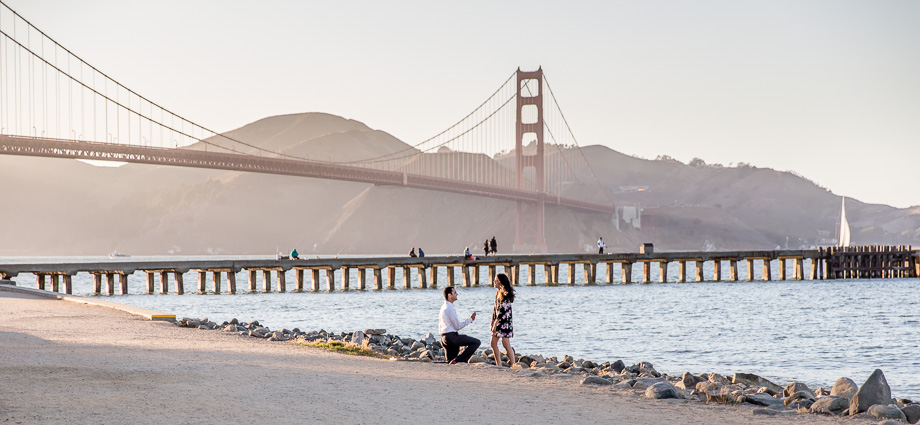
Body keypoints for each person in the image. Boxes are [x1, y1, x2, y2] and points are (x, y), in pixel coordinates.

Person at [439, 286, 480, 364]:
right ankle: (459, 360)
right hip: (451, 338)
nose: (457, 294)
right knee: (476, 342)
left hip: (444, 338)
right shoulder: (449, 308)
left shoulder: (444, 306)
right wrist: (470, 320)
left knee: (450, 362)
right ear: (449, 295)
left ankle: (455, 361)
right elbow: (457, 326)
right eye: (454, 293)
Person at [490, 273, 515, 367]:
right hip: (498, 321)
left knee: (506, 344)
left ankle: (513, 364)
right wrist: (492, 321)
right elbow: (495, 309)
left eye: (496, 280)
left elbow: (502, 310)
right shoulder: (497, 293)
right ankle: (499, 364)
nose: (494, 282)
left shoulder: (505, 294)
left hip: (504, 322)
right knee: (493, 343)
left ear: (500, 283)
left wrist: (496, 323)